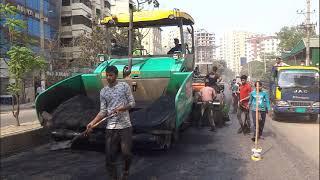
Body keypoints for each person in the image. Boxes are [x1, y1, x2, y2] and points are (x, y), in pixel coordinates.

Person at [86, 65, 135, 180]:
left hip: (125, 126)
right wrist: (92, 123)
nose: (108, 77)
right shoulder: (103, 92)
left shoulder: (124, 86)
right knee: (109, 157)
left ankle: (126, 170)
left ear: (116, 75)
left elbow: (132, 103)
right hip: (111, 128)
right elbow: (103, 111)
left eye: (111, 75)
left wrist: (123, 108)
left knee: (126, 153)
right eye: (107, 75)